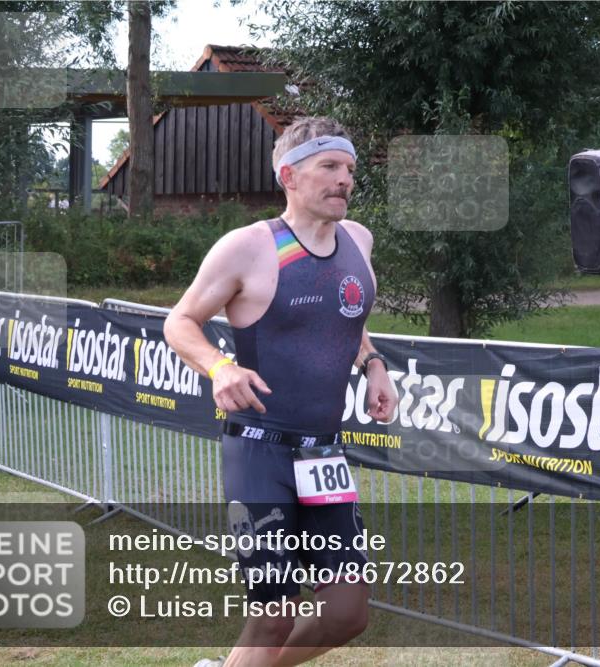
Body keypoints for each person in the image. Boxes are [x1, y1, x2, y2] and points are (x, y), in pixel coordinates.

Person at [163, 116, 398, 667]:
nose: (345, 180)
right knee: (273, 616)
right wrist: (220, 367)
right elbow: (180, 321)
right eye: (330, 168)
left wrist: (374, 365)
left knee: (347, 613)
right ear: (289, 176)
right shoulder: (248, 247)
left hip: (322, 450)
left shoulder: (358, 241)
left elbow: (347, 319)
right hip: (259, 448)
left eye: (349, 169)